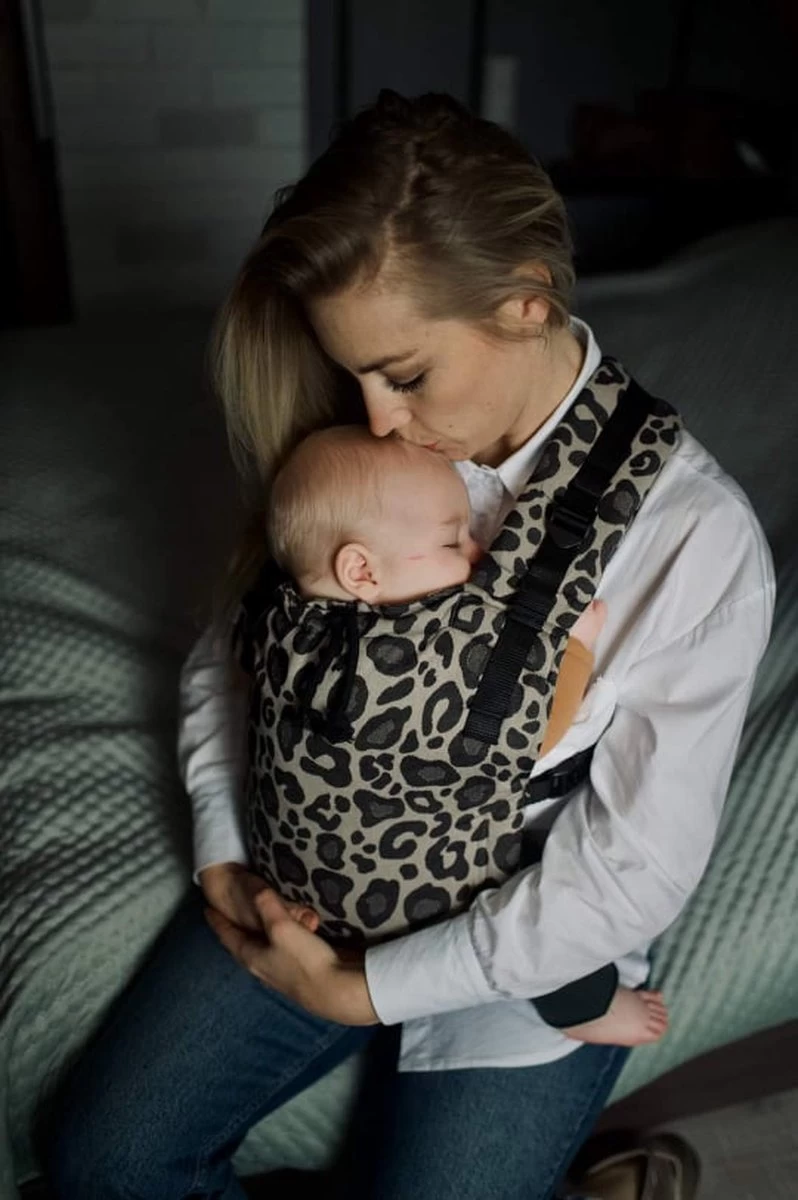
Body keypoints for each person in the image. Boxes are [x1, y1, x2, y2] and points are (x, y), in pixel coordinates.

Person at [46, 90, 774, 1200]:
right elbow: (236, 654)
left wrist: (364, 992)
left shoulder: (695, 541)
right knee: (108, 1162)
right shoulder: (362, 450)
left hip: (523, 929)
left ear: (526, 302)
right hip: (310, 871)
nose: (379, 419)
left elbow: (631, 869)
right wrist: (225, 858)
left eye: (407, 374)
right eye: (357, 377)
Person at [246, 422, 668, 1046]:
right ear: (361, 569)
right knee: (547, 902)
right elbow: (527, 735)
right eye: (453, 539)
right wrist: (575, 648)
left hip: (293, 881)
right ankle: (585, 1007)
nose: (477, 553)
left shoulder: (278, 619)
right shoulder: (413, 659)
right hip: (418, 906)